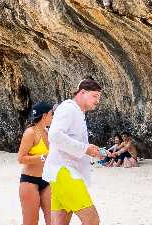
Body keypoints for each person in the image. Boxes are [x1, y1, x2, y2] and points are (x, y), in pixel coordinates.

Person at [42, 77, 105, 225]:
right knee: (92, 220)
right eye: (94, 96)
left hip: (60, 173)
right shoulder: (68, 108)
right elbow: (55, 135)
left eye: (99, 97)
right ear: (82, 92)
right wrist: (84, 148)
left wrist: (90, 150)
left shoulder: (78, 113)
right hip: (65, 173)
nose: (97, 101)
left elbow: (69, 140)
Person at [18, 102, 54, 225]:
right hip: (29, 181)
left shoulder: (49, 132)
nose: (53, 117)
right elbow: (21, 158)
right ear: (44, 116)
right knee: (31, 222)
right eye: (51, 114)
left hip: (47, 181)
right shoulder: (30, 133)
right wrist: (42, 157)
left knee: (53, 221)